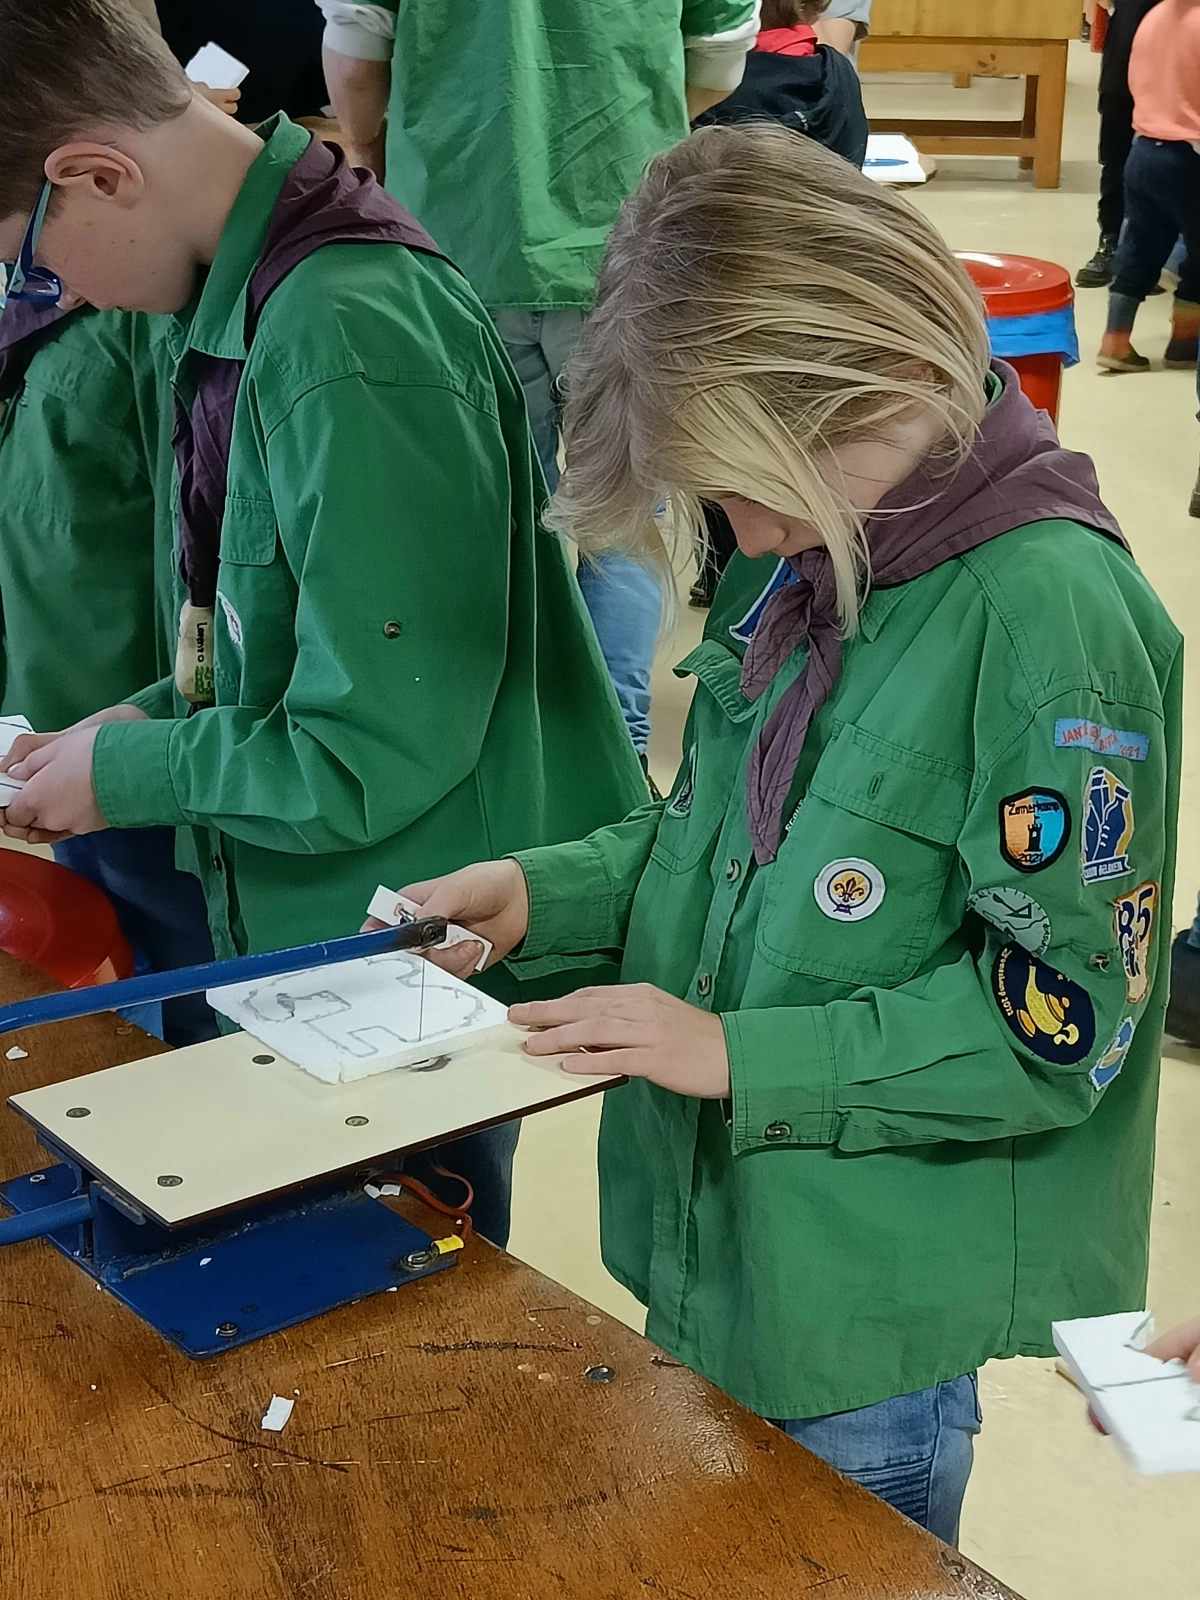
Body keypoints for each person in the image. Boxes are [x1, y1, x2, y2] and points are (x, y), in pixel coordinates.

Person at [396, 125, 1181, 1544]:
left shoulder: (1051, 623)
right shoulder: (827, 556)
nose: (738, 535)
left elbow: (1060, 1021)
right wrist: (537, 895)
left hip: (860, 1325)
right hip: (717, 1255)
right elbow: (716, 837)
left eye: (736, 482)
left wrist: (735, 1051)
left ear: (857, 386)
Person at [0, 0, 646, 1248]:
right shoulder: (241, 291)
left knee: (399, 1296)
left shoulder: (346, 334)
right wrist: (135, 716)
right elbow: (261, 625)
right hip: (303, 934)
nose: (55, 292)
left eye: (36, 259)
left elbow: (374, 742)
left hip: (389, 967)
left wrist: (131, 770)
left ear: (94, 174)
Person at [317, 0, 760, 768]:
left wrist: (368, 147)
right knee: (626, 519)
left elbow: (356, 55)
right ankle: (614, 757)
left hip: (459, 230)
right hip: (624, 237)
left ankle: (494, 756)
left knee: (478, 514)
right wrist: (634, 115)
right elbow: (719, 56)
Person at [0, 299, 218, 1048]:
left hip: (150, 752)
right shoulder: (26, 287)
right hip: (47, 737)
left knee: (195, 1008)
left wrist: (159, 734)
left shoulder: (140, 307)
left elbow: (200, 549)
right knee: (106, 987)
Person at [690, 0, 869, 607]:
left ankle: (717, 570)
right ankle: (795, 564)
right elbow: (851, 182)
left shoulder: (695, 81)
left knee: (713, 430)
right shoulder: (830, 75)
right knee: (794, 431)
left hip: (708, 291)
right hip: (804, 290)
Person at [1097, 0, 1200, 373]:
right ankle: (1184, 345)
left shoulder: (1153, 17)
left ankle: (1116, 341)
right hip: (1190, 155)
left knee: (1140, 244)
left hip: (1143, 150)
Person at [1077, 0, 1162, 289]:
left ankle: (1149, 252)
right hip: (1126, 55)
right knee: (1118, 160)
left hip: (1181, 55)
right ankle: (1112, 242)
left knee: (1171, 162)